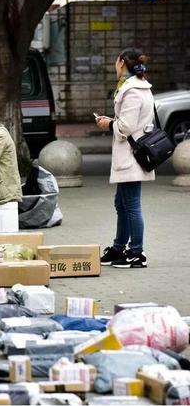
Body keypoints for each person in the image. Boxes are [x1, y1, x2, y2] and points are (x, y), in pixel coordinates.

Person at [95, 48, 154, 269]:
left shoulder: (132, 90)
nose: (114, 65)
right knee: (122, 203)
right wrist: (112, 121)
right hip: (132, 153)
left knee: (131, 205)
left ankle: (136, 252)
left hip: (132, 155)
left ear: (121, 63)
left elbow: (126, 126)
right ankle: (119, 247)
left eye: (115, 61)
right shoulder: (139, 86)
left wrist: (108, 123)